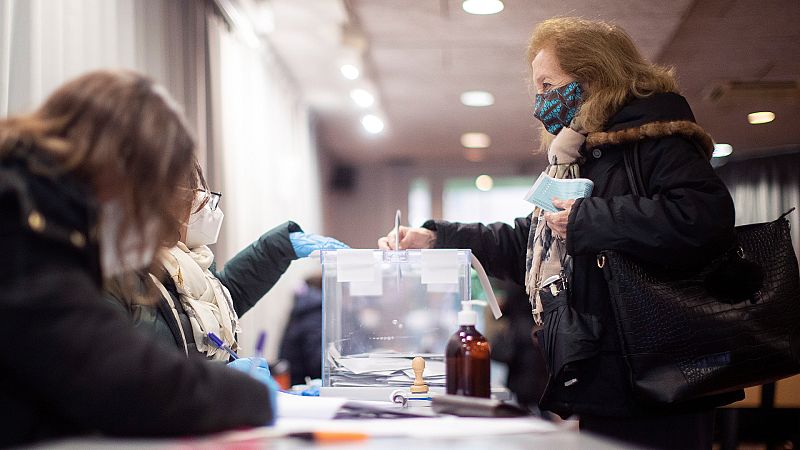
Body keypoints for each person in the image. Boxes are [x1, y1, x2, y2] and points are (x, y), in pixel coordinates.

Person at [379, 17, 739, 449]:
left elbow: (705, 217)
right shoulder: (581, 153)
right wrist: (435, 237)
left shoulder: (657, 139)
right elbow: (526, 244)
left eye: (548, 85)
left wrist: (589, 220)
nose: (540, 102)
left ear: (594, 77)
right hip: (610, 371)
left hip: (660, 369)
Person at [0, 70, 275, 446]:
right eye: (152, 196)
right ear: (120, 170)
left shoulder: (38, 211)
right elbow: (110, 373)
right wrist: (248, 395)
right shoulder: (20, 219)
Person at [104, 163, 346, 360]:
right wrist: (218, 382)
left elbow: (227, 295)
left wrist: (280, 247)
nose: (207, 206)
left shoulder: (187, 265)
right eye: (198, 195)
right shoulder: (119, 272)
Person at [279, 274, 324, 386]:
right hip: (303, 388)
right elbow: (318, 364)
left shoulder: (304, 309)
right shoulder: (315, 313)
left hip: (294, 383)